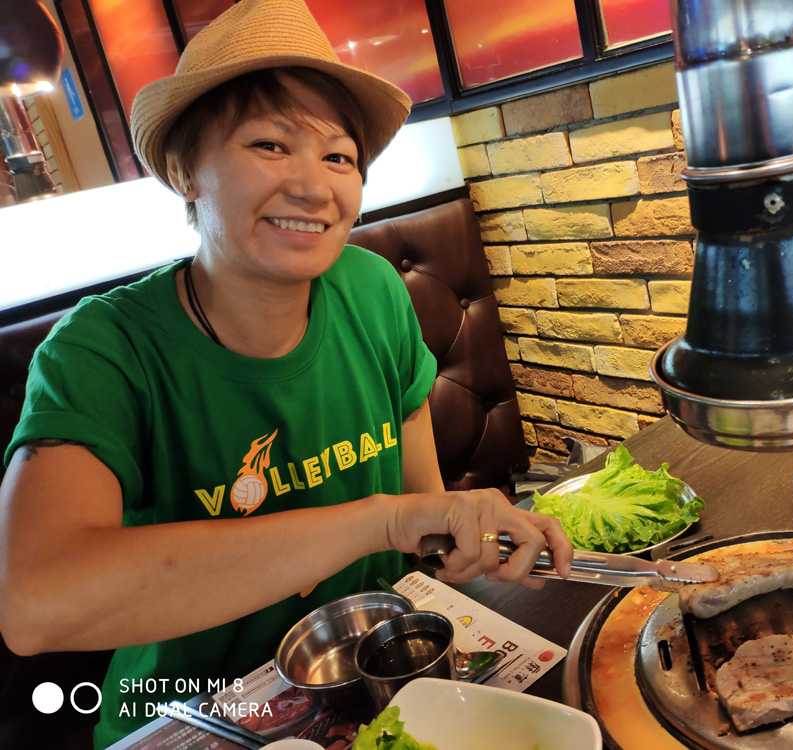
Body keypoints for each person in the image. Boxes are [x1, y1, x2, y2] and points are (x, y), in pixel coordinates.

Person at [0, 0, 572, 746]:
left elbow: (420, 512)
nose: (314, 187)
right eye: (270, 145)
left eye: (339, 157)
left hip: (369, 674)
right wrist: (384, 521)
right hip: (195, 710)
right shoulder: (103, 349)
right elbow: (36, 603)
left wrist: (472, 537)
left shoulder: (374, 292)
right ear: (185, 170)